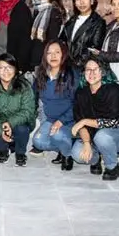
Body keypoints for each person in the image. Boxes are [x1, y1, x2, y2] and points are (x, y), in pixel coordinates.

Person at [69, 55, 119, 181]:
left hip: (118, 134)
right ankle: (96, 159)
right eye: (88, 69)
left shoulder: (113, 89)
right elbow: (79, 122)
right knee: (77, 154)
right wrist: (86, 143)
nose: (92, 73)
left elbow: (112, 122)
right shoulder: (81, 92)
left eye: (96, 69)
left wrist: (85, 121)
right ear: (83, 73)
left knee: (102, 136)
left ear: (103, 71)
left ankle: (112, 167)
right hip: (93, 136)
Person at [0, 53, 36, 166]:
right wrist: (1, 130)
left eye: (9, 67)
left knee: (21, 129)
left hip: (20, 123)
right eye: (1, 68)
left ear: (15, 69)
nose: (6, 71)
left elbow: (28, 111)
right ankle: (4, 151)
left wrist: (10, 123)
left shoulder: (24, 86)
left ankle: (20, 153)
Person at [31, 40, 78, 169]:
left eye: (57, 52)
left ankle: (67, 154)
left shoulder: (71, 74)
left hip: (70, 121)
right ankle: (63, 147)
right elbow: (34, 98)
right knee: (38, 141)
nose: (53, 56)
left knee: (57, 135)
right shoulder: (42, 74)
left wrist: (61, 121)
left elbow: (77, 104)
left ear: (63, 54)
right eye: (49, 53)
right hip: (50, 120)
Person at [60, 0, 106, 69]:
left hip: (84, 67)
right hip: (66, 66)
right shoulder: (71, 21)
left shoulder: (98, 22)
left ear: (92, 1)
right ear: (74, 3)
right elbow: (62, 42)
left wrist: (76, 64)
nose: (81, 2)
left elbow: (93, 48)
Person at [30, 0, 66, 73]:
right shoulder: (36, 9)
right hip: (35, 57)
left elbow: (52, 39)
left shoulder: (54, 11)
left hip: (46, 60)